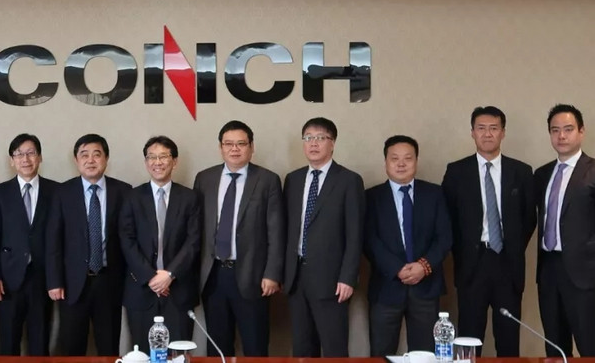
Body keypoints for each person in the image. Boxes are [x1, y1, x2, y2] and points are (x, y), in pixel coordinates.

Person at [442, 106, 535, 356]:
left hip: (508, 262)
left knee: (508, 338)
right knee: (469, 338)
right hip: (472, 263)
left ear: (503, 132)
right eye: (481, 128)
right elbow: (448, 219)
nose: (487, 134)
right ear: (472, 132)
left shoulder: (522, 172)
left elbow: (529, 218)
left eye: (494, 128)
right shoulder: (456, 171)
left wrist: (512, 245)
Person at [534, 103, 595, 357]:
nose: (561, 136)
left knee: (590, 345)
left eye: (568, 129)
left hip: (586, 274)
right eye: (555, 130)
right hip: (549, 269)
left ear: (581, 131)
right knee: (554, 346)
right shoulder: (542, 174)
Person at [193, 120, 284, 357]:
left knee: (255, 346)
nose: (234, 149)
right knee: (218, 347)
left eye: (241, 144)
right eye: (228, 144)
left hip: (253, 275)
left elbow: (276, 231)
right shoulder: (204, 179)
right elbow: (196, 229)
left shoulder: (267, 180)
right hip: (213, 275)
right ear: (220, 147)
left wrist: (272, 273)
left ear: (251, 147)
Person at [282, 117, 364, 357]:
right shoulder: (293, 179)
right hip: (296, 278)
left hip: (332, 280)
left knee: (333, 348)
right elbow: (286, 229)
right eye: (308, 138)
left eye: (320, 138)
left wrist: (348, 277)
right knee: (302, 348)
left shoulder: (349, 180)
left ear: (333, 143)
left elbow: (355, 233)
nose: (313, 143)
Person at [365, 135, 451, 356]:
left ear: (416, 161)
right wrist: (397, 268)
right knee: (381, 353)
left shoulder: (435, 194)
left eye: (408, 158)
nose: (401, 164)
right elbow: (369, 240)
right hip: (386, 288)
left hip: (426, 287)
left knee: (425, 355)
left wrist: (424, 266)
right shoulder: (371, 197)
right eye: (394, 158)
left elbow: (445, 237)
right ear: (385, 162)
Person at [45, 134, 131, 356]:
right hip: (72, 284)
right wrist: (54, 281)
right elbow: (53, 241)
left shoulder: (123, 191)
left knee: (109, 347)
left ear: (106, 158)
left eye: (96, 154)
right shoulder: (62, 193)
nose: (90, 160)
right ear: (76, 160)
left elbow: (129, 239)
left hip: (109, 281)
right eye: (84, 155)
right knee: (71, 348)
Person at [119, 136, 202, 351]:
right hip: (141, 291)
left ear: (175, 161)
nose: (157, 162)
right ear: (146, 162)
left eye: (163, 156)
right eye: (152, 157)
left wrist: (169, 275)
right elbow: (127, 240)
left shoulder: (190, 198)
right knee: (142, 354)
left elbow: (193, 241)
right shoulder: (132, 197)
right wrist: (151, 277)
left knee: (179, 354)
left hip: (179, 290)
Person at [0, 133, 59, 355]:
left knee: (40, 341)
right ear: (12, 160)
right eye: (19, 154)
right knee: (8, 343)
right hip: (7, 279)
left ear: (40, 157)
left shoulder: (56, 191)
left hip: (42, 278)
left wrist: (57, 279)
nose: (25, 159)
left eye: (30, 153)